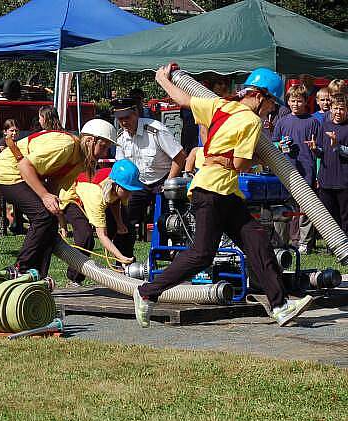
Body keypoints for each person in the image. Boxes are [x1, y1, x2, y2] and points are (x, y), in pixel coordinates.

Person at [133, 64, 314, 329]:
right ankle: (147, 291)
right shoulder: (252, 121)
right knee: (202, 254)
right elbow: (240, 164)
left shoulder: (220, 105)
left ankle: (280, 305)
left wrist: (163, 78)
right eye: (272, 104)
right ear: (260, 96)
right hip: (212, 191)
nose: (272, 110)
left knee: (257, 241)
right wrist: (264, 155)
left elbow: (182, 99)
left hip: (225, 192)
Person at [0, 119, 116, 278]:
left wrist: (52, 205)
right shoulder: (65, 146)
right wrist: (44, 196)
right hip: (7, 172)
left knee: (50, 220)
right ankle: (21, 268)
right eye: (103, 147)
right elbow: (24, 166)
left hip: (23, 174)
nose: (105, 153)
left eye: (107, 149)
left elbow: (55, 182)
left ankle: (39, 275)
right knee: (42, 215)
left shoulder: (80, 161)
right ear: (89, 140)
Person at [112, 97, 186, 254]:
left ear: (136, 113)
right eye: (120, 119)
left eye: (127, 117)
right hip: (137, 183)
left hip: (163, 179)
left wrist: (168, 182)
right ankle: (124, 260)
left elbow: (179, 157)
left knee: (167, 222)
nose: (124, 122)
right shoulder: (120, 136)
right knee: (126, 219)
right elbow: (120, 165)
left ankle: (168, 255)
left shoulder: (155, 130)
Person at [59, 159, 144, 285]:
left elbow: (114, 200)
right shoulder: (96, 194)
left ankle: (125, 271)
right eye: (127, 189)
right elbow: (102, 235)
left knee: (126, 230)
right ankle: (74, 278)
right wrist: (119, 255)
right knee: (85, 236)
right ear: (117, 185)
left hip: (100, 195)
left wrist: (120, 223)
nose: (130, 193)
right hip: (73, 198)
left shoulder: (118, 183)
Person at [272, 84, 320, 254]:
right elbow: (273, 144)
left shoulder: (313, 121)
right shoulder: (282, 121)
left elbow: (319, 150)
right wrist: (280, 145)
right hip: (285, 170)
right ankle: (281, 241)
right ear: (288, 101)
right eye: (292, 100)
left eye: (299, 101)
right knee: (283, 208)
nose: (296, 104)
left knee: (305, 209)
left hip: (307, 170)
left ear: (306, 102)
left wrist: (315, 149)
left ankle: (304, 243)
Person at [310, 96, 348, 236]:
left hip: (344, 181)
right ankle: (332, 246)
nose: (338, 112)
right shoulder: (324, 126)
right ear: (330, 109)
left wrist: (337, 146)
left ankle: (345, 246)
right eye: (335, 108)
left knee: (345, 216)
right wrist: (315, 149)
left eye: (342, 109)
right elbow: (322, 152)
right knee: (329, 216)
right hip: (326, 179)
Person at [0, 119, 25, 235]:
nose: (14, 133)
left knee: (18, 202)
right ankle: (3, 225)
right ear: (5, 131)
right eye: (11, 131)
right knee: (3, 203)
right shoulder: (2, 144)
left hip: (16, 176)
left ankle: (17, 225)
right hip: (3, 177)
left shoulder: (18, 143)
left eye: (16, 131)